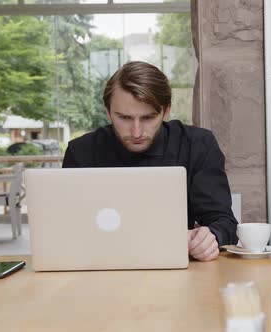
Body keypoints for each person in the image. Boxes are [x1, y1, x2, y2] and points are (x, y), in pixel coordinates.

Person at [62, 61, 238, 262]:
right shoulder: (81, 152)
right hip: (99, 267)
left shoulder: (197, 145)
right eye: (124, 118)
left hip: (176, 269)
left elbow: (224, 222)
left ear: (166, 111)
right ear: (108, 112)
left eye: (148, 118)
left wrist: (211, 237)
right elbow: (67, 229)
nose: (136, 132)